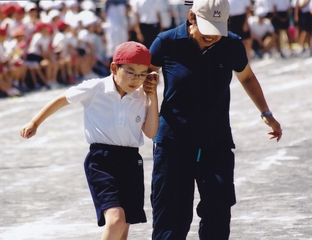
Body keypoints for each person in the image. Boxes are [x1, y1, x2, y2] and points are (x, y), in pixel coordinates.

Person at [148, 0, 283, 239]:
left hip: (216, 143)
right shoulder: (166, 42)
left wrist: (266, 113)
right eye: (207, 28)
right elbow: (141, 75)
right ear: (191, 17)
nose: (212, 36)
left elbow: (247, 77)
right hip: (173, 144)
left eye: (218, 29)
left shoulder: (232, 44)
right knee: (171, 219)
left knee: (218, 215)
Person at [20, 41, 159, 240]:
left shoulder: (141, 96)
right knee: (116, 220)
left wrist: (152, 97)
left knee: (124, 227)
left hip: (131, 162)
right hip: (102, 160)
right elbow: (62, 99)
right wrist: (35, 122)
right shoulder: (96, 88)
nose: (136, 79)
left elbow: (151, 132)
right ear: (114, 68)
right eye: (130, 72)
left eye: (142, 74)